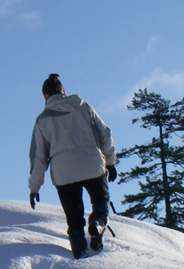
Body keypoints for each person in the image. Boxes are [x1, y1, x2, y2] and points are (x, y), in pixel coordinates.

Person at [28, 73, 118, 258]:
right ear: (64, 91)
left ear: (45, 96)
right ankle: (98, 223)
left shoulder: (42, 120)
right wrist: (110, 161)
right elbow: (105, 133)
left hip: (64, 173)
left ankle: (80, 256)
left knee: (74, 220)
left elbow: (38, 157)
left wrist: (34, 187)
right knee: (101, 200)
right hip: (92, 163)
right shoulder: (83, 107)